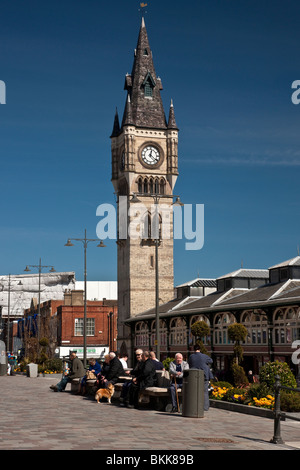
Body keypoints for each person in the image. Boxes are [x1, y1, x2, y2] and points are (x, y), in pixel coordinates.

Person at [188, 344, 214, 411]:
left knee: (194, 391)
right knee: (205, 392)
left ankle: (195, 405)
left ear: (194, 349)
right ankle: (205, 407)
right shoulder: (204, 356)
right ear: (200, 349)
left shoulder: (191, 356)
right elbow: (211, 361)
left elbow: (189, 364)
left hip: (194, 376)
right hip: (204, 376)